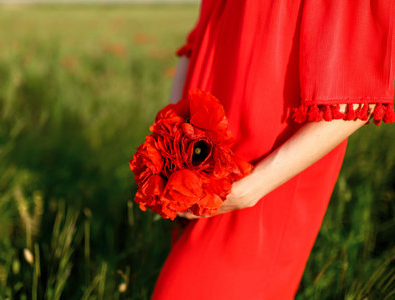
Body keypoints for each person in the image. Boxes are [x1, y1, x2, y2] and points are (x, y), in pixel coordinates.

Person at [151, 0, 394, 299]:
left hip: (267, 180)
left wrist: (251, 189)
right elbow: (200, 39)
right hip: (199, 168)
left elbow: (361, 95)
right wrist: (170, 137)